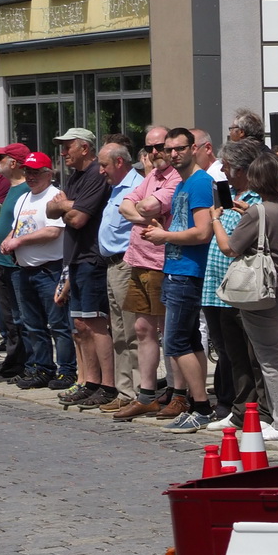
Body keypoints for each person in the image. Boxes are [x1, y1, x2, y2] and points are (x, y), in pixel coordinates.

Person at [215, 149, 278, 440]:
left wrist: (216, 219)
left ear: (254, 179)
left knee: (270, 359)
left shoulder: (257, 211)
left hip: (263, 292)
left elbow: (230, 248)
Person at [141, 128, 218, 432]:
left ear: (194, 148)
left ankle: (200, 406)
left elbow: (202, 232)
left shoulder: (199, 183)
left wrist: (165, 235)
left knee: (175, 341)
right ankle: (200, 404)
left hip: (189, 272)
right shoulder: (184, 183)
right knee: (189, 340)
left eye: (179, 148)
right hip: (176, 268)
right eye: (168, 149)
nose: (173, 154)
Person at [198, 140, 266, 432]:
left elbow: (243, 241)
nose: (222, 172)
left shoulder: (257, 199)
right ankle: (238, 409)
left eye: (226, 167)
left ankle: (258, 410)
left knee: (251, 355)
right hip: (216, 285)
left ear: (241, 169)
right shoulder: (226, 194)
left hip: (243, 286)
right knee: (229, 353)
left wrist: (218, 217)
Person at [48, 128, 117, 409]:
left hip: (91, 258)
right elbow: (51, 211)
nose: (63, 153)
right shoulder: (74, 177)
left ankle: (108, 385)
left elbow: (77, 219)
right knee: (79, 325)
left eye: (68, 147)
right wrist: (66, 206)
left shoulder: (95, 177)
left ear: (85, 148)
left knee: (96, 324)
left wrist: (64, 206)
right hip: (74, 259)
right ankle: (89, 381)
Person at [114, 126, 180, 419]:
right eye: (151, 148)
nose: (155, 153)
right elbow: (125, 205)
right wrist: (143, 213)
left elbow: (148, 204)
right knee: (142, 329)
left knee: (169, 333)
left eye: (161, 147)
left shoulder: (176, 178)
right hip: (138, 260)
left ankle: (178, 394)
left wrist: (140, 209)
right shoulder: (152, 176)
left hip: (160, 262)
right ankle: (147, 394)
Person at [1, 153, 73, 393]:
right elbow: (17, 228)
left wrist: (18, 242)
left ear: (48, 174)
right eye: (28, 172)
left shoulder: (54, 196)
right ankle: (42, 367)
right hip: (26, 269)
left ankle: (67, 369)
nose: (31, 176)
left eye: (36, 172)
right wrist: (8, 239)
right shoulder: (24, 198)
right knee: (33, 325)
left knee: (58, 325)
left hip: (50, 268)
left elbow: (53, 232)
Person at [93, 142, 143, 410]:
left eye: (104, 165)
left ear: (120, 163)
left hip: (127, 263)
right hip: (112, 265)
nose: (101, 171)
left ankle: (137, 391)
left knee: (132, 330)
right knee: (119, 331)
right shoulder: (116, 189)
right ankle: (124, 391)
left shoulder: (136, 187)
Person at [0, 145, 30, 383]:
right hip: (0, 261)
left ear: (14, 163)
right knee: (8, 318)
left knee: (20, 316)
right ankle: (13, 361)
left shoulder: (25, 189)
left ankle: (26, 363)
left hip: (15, 263)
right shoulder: (11, 188)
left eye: (2, 157)